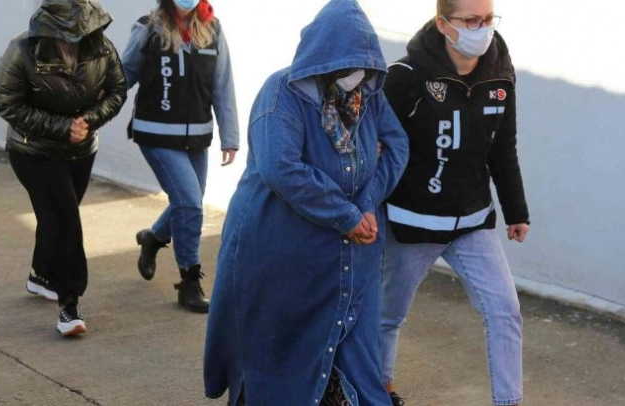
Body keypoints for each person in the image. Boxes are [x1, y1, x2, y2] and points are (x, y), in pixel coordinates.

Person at [202, 0, 409, 404]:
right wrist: (345, 214)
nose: (356, 73)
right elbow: (281, 167)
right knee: (277, 352)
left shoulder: (369, 98)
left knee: (351, 352)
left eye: (365, 65)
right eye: (349, 63)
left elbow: (397, 145)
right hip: (279, 245)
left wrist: (367, 203)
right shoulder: (282, 93)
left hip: (350, 251)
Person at [379, 0, 530, 405]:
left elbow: (503, 149)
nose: (483, 29)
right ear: (444, 24)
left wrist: (516, 211)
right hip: (412, 225)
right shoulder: (405, 77)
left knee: (504, 312)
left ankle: (509, 401)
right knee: (387, 316)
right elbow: (380, 149)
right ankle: (380, 389)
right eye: (471, 20)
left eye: (488, 19)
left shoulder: (500, 74)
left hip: (473, 222)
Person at [0, 0, 127, 336]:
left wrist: (89, 121)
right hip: (33, 150)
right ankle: (70, 303)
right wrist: (61, 127)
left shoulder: (102, 48)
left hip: (81, 149)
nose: (74, 37)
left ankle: (41, 274)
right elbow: (7, 104)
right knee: (66, 219)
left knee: (55, 217)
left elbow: (117, 90)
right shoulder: (21, 50)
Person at [121, 0, 239, 313]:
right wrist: (91, 111)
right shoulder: (148, 28)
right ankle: (189, 282)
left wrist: (230, 137)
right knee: (189, 203)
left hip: (197, 136)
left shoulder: (213, 29)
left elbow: (222, 85)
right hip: (156, 133)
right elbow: (123, 75)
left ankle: (153, 239)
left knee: (188, 202)